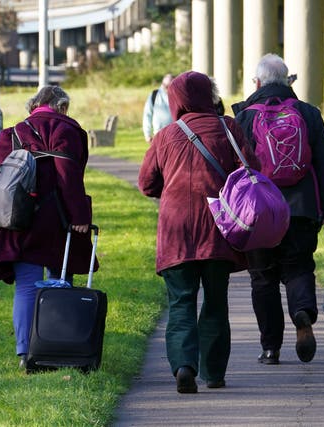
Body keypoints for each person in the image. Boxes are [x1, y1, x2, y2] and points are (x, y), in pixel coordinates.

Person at [138, 71, 259, 393]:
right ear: (210, 95)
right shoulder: (228, 128)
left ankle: (183, 366)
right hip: (218, 227)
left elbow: (146, 183)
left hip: (176, 231)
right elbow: (252, 169)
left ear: (175, 100)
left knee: (181, 302)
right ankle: (214, 373)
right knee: (216, 303)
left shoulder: (165, 135)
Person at [232, 53, 324, 365]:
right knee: (298, 267)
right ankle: (302, 313)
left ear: (256, 82)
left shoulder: (244, 117)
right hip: (301, 208)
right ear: (288, 81)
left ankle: (271, 348)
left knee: (263, 278)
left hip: (259, 213)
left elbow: (235, 170)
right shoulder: (307, 114)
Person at [0, 85, 94, 368]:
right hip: (55, 220)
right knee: (61, 282)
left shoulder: (13, 133)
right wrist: (80, 215)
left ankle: (24, 353)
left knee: (27, 287)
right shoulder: (65, 130)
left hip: (17, 220)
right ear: (62, 107)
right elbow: (69, 178)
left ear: (34, 106)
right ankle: (60, 346)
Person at [142, 73, 173, 143]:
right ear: (162, 84)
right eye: (166, 86)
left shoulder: (178, 95)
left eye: (170, 86)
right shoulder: (154, 95)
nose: (168, 88)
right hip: (158, 135)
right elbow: (147, 115)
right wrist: (147, 134)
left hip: (175, 135)